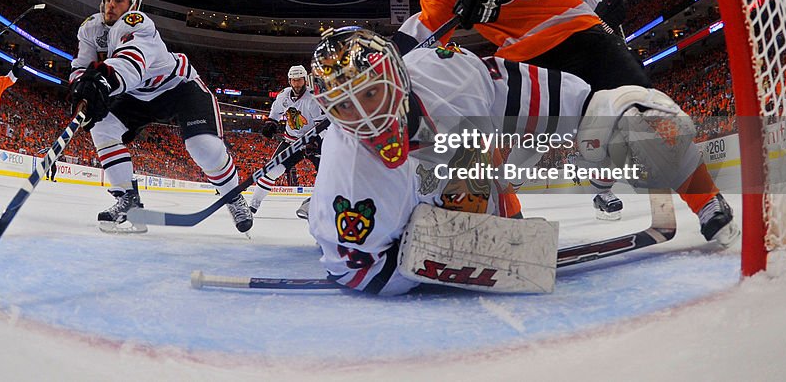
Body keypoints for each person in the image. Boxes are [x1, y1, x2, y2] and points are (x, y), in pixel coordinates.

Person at [307, 27, 736, 296]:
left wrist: (612, 120)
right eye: (343, 106)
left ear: (397, 75)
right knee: (457, 193)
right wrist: (439, 256)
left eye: (369, 92)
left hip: (489, 164)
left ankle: (707, 202)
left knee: (635, 117)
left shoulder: (449, 73)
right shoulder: (346, 180)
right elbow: (359, 272)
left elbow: (577, 105)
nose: (365, 116)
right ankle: (498, 212)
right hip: (414, 229)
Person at [403, 0, 733, 228]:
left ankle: (707, 200)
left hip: (577, 35)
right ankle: (505, 223)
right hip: (522, 61)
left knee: (644, 115)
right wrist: (393, 53)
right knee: (494, 149)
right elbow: (430, 25)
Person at [68, 0, 253, 234]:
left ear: (133, 5)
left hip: (178, 88)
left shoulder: (139, 23)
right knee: (102, 126)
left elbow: (131, 62)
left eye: (119, 0)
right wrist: (80, 91)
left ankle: (233, 196)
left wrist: (104, 80)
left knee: (203, 147)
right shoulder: (91, 29)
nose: (111, 5)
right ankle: (127, 199)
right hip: (137, 93)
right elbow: (81, 66)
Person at [250, 65, 328, 217]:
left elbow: (323, 125)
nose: (297, 84)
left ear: (305, 80)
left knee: (327, 174)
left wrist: (317, 141)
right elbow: (275, 113)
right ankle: (253, 206)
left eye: (299, 80)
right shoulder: (284, 95)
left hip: (313, 142)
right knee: (271, 172)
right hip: (291, 142)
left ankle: (317, 204)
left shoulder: (313, 98)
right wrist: (271, 124)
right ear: (289, 81)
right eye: (294, 80)